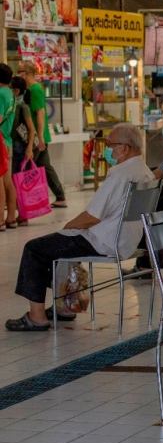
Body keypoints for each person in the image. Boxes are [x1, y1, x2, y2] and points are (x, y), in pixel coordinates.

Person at [6, 124, 154, 332]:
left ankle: (36, 316)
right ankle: (66, 306)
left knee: (35, 249)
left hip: (103, 239)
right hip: (125, 240)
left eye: (112, 145)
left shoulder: (121, 175)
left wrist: (68, 227)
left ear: (126, 148)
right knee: (63, 248)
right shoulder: (145, 172)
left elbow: (91, 217)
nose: (109, 150)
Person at [19, 61, 67, 208]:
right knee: (45, 166)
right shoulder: (29, 90)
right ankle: (60, 197)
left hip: (36, 138)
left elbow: (40, 113)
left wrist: (39, 137)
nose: (18, 75)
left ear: (26, 74)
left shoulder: (35, 90)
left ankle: (26, 200)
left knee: (26, 168)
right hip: (39, 137)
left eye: (20, 72)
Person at [9, 77, 36, 226]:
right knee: (14, 182)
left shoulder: (22, 107)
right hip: (14, 146)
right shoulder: (13, 105)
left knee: (16, 182)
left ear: (16, 90)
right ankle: (19, 214)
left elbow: (31, 129)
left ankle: (22, 215)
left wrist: (29, 148)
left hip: (18, 147)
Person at [0, 64, 15, 231]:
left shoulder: (0, 94)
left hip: (0, 142)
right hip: (8, 141)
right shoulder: (10, 93)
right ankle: (11, 218)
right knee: (7, 181)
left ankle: (0, 221)